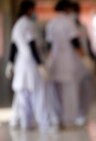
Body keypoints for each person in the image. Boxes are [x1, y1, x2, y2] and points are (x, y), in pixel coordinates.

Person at [5, 0, 50, 130]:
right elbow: (32, 46)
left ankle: (26, 124)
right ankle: (44, 124)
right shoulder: (28, 24)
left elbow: (13, 46)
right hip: (31, 64)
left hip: (21, 64)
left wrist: (10, 62)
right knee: (39, 95)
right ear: (30, 10)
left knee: (23, 96)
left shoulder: (17, 25)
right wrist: (40, 64)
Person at [45, 0, 85, 128]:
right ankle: (69, 121)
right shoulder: (68, 22)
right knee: (70, 93)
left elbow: (49, 46)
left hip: (55, 62)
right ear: (67, 9)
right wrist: (84, 57)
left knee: (56, 94)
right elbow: (75, 42)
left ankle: (58, 119)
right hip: (68, 63)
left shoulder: (51, 24)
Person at [69, 1, 96, 126]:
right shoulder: (67, 27)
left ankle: (83, 115)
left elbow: (88, 44)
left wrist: (91, 59)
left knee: (86, 90)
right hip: (72, 64)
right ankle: (75, 115)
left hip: (84, 63)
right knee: (74, 91)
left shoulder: (83, 27)